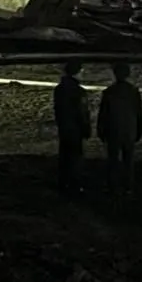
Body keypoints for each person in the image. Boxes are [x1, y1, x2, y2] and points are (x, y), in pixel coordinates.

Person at [96, 62, 142, 195]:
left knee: (113, 160)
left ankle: (113, 185)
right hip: (129, 130)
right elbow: (139, 113)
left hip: (113, 130)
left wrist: (101, 131)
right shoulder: (134, 92)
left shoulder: (109, 92)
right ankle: (128, 186)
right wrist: (139, 130)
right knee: (128, 160)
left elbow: (103, 114)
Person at [53, 60, 91, 195]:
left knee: (64, 156)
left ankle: (63, 183)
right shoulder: (79, 92)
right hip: (76, 129)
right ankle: (75, 185)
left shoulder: (59, 90)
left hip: (64, 127)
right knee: (75, 157)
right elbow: (82, 112)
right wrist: (86, 128)